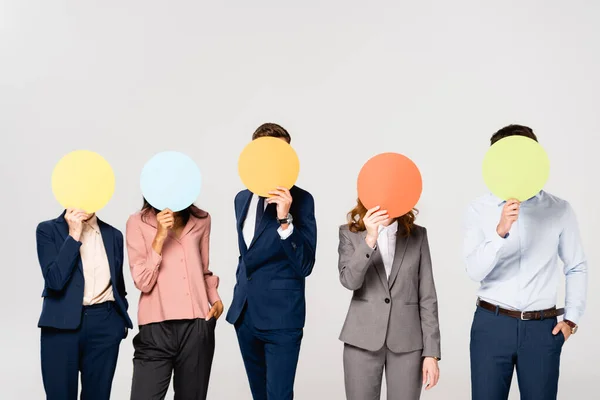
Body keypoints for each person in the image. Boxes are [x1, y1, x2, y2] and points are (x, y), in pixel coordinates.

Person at [464, 124, 588, 400]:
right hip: (491, 325)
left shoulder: (559, 209)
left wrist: (571, 320)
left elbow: (576, 266)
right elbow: (474, 270)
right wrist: (500, 232)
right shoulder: (478, 209)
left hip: (542, 328)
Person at [225, 123, 318, 400]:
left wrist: (284, 218)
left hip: (282, 317)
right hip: (245, 314)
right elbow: (248, 255)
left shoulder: (301, 200)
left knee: (278, 396)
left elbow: (305, 265)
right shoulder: (241, 199)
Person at [338, 200, 441, 400]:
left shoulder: (418, 235)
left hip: (408, 343)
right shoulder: (349, 233)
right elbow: (350, 281)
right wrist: (370, 239)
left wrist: (431, 353)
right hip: (361, 340)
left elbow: (427, 296)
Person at [126, 200, 223, 400]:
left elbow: (203, 270)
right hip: (155, 328)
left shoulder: (201, 219)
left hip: (196, 327)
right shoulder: (137, 222)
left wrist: (215, 299)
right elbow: (143, 282)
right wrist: (160, 236)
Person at [36, 208, 132, 400]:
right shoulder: (47, 230)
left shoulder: (114, 235)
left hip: (104, 325)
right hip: (60, 327)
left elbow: (118, 284)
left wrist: (117, 324)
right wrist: (73, 235)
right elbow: (55, 281)